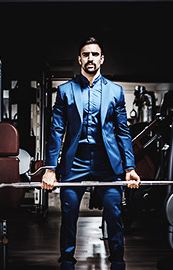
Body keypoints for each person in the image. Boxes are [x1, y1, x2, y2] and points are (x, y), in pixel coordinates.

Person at [41, 36, 141, 270]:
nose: (90, 58)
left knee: (114, 214)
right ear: (79, 59)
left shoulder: (115, 92)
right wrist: (50, 168)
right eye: (86, 54)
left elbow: (123, 132)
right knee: (68, 214)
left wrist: (129, 168)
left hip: (107, 161)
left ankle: (117, 262)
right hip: (75, 160)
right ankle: (67, 261)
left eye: (94, 54)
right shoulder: (65, 90)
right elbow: (56, 131)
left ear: (102, 59)